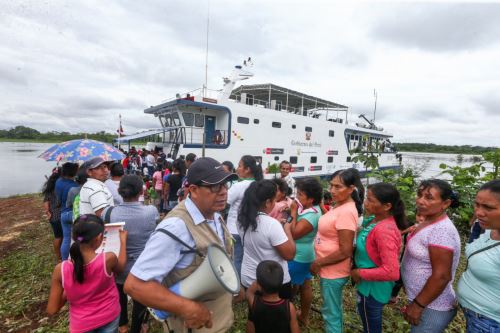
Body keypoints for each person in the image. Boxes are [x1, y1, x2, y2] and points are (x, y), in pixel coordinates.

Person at [124, 157, 238, 332]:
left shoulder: (214, 213)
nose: (223, 192)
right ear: (193, 190)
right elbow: (135, 285)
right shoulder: (176, 227)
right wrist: (188, 308)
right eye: (215, 186)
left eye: (225, 185)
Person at [46, 214, 127, 332]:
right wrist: (123, 242)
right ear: (99, 238)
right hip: (109, 316)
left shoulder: (60, 270)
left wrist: (68, 290)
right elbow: (120, 269)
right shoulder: (108, 259)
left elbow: (52, 309)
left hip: (81, 325)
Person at [401, 179, 461, 333]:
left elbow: (441, 276)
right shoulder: (427, 220)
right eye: (419, 195)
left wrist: (418, 305)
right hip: (424, 301)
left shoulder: (441, 230)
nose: (420, 201)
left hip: (432, 306)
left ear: (446, 203)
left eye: (429, 197)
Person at [350, 183, 408, 333]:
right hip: (368, 285)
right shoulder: (374, 220)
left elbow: (391, 272)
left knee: (371, 326)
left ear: (387, 206)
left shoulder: (384, 230)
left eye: (370, 200)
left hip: (372, 289)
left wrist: (358, 273)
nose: (365, 203)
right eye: (366, 198)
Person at [104, 175, 159, 333]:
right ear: (141, 190)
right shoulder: (150, 211)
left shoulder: (109, 212)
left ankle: (122, 325)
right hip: (141, 266)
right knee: (140, 299)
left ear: (120, 191)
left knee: (120, 294)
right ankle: (137, 327)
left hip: (117, 266)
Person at [311, 168, 363, 333]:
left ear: (351, 188)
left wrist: (318, 262)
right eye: (331, 185)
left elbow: (345, 250)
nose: (332, 191)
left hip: (333, 272)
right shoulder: (340, 205)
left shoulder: (347, 211)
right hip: (329, 270)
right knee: (332, 309)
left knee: (331, 313)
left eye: (338, 187)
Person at [238, 180, 296, 299]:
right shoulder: (271, 225)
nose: (275, 203)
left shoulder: (241, 219)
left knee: (256, 313)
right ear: (268, 202)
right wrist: (287, 229)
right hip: (273, 282)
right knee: (279, 315)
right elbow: (289, 255)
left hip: (249, 278)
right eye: (274, 200)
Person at [458, 179, 500, 332]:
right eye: (477, 204)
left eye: (488, 207)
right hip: (475, 316)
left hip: (490, 323)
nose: (478, 212)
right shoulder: (489, 228)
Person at [287, 177, 322, 326]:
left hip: (298, 256)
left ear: (311, 199)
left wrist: (293, 212)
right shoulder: (309, 209)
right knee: (305, 285)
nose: (297, 197)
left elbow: (294, 233)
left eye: (300, 194)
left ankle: (290, 317)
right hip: (304, 253)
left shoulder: (312, 215)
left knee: (291, 288)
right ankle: (303, 317)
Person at [228, 155, 264, 278]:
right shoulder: (259, 185)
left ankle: (237, 289)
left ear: (247, 169)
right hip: (250, 228)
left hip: (234, 229)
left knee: (236, 260)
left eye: (239, 166)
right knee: (246, 260)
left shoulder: (239, 186)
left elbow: (224, 203)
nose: (237, 169)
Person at [246, 260, 300, 333]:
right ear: (281, 283)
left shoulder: (254, 303)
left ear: (259, 285)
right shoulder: (289, 307)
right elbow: (295, 330)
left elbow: (249, 293)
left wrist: (257, 283)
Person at [55, 162, 79, 260]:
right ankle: (76, 259)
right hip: (73, 213)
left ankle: (64, 261)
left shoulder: (58, 181)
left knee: (66, 239)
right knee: (78, 239)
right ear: (74, 172)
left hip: (63, 213)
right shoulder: (74, 186)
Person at [42, 167, 62, 261]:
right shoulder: (60, 187)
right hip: (60, 216)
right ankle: (61, 256)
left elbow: (46, 203)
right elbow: (60, 202)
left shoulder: (49, 189)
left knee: (57, 237)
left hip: (53, 217)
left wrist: (48, 212)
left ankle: (58, 257)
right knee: (63, 237)